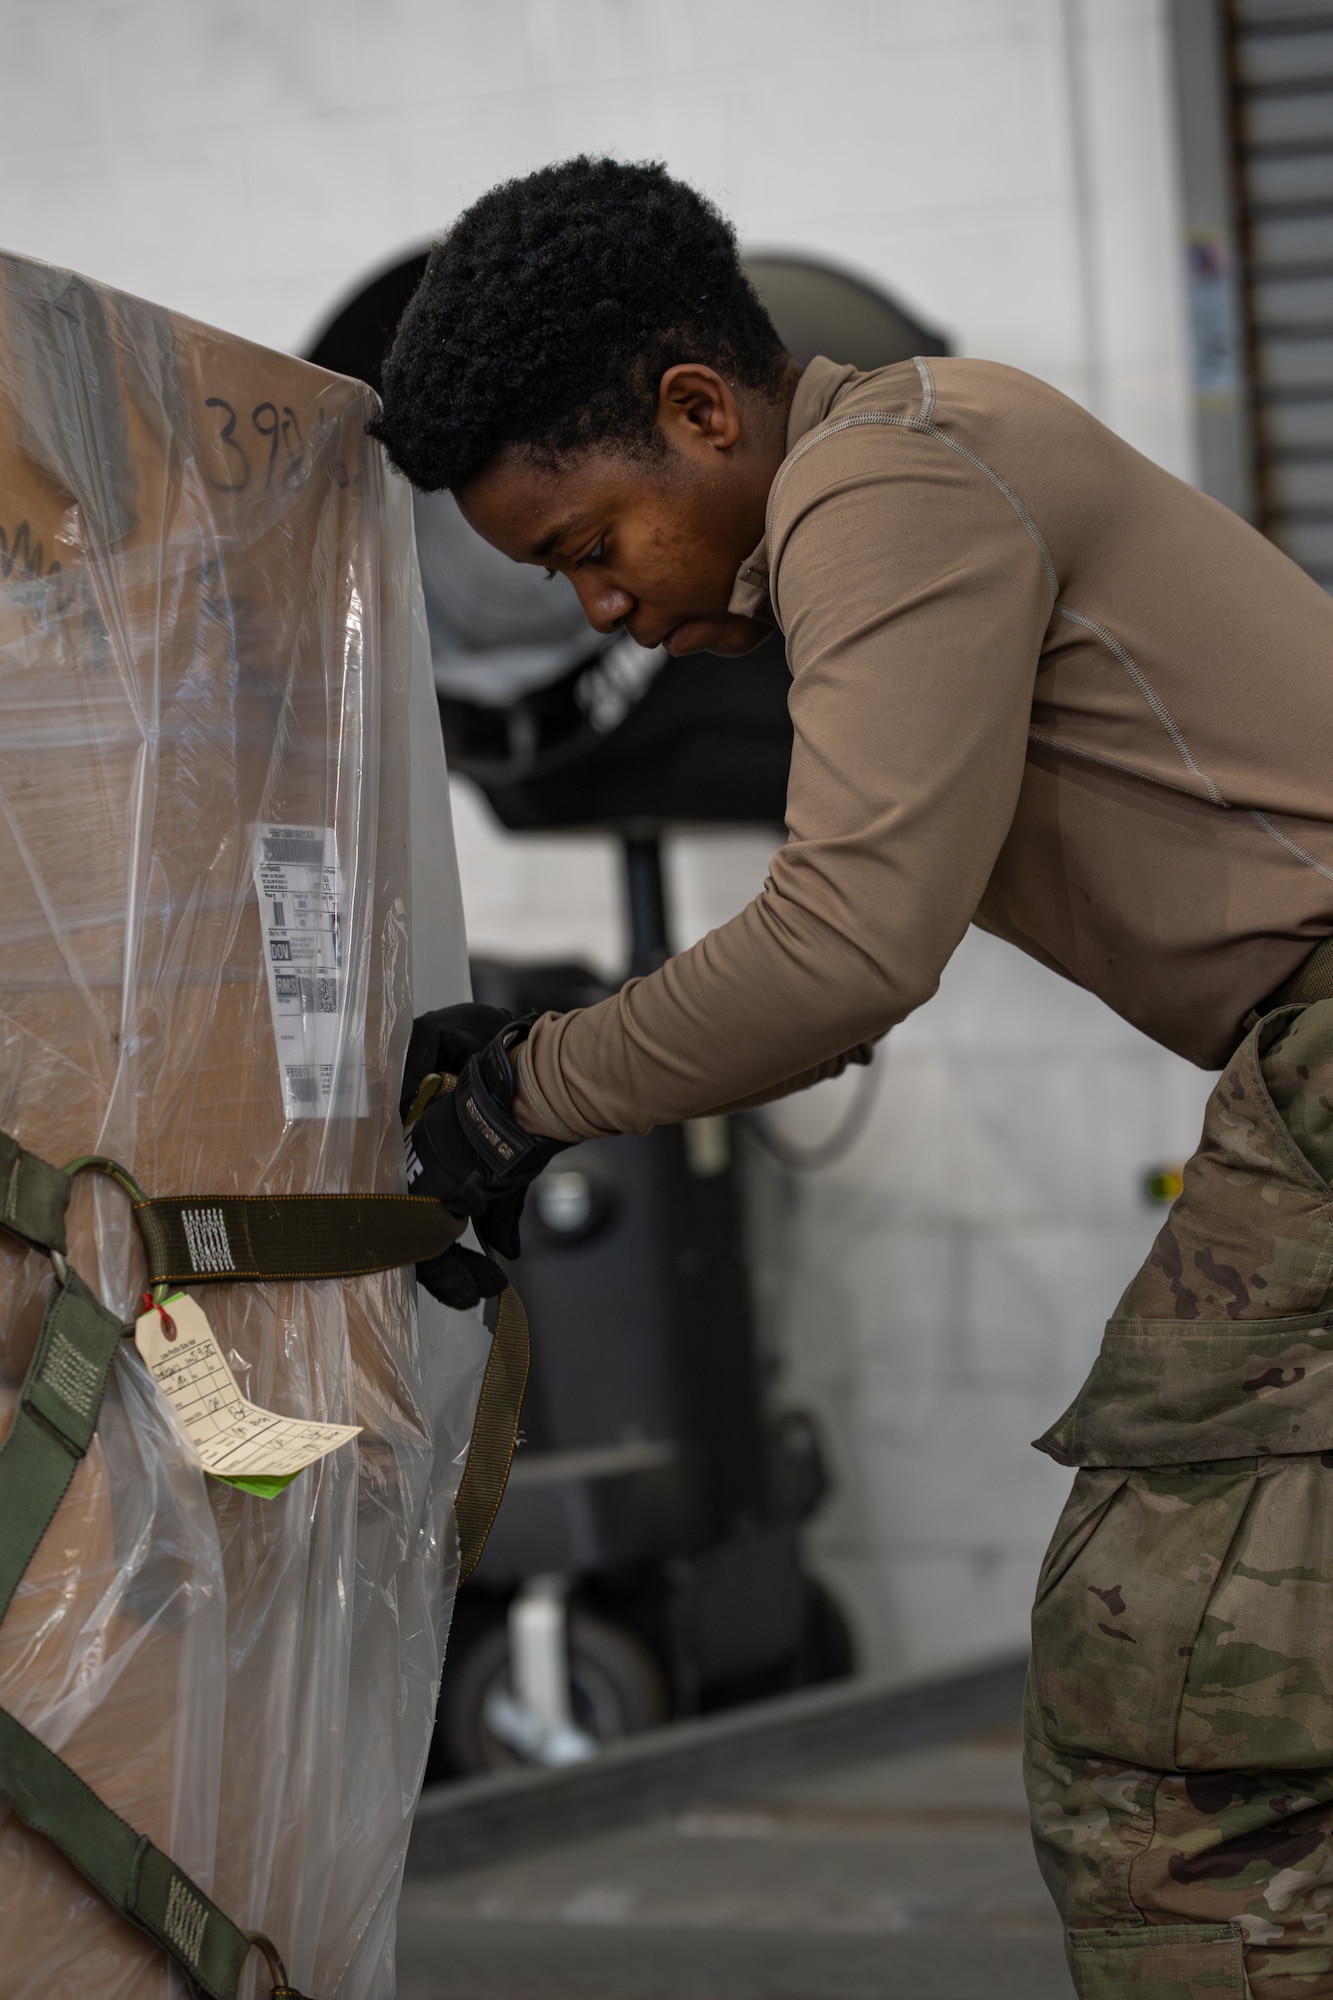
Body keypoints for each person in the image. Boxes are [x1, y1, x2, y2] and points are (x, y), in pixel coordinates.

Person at [374, 156, 1333, 1998]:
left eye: (588, 543)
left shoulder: (882, 478)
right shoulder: (918, 465)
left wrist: (520, 1100)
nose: (597, 611)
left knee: (1177, 1752)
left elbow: (841, 954)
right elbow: (852, 951)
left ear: (697, 409)